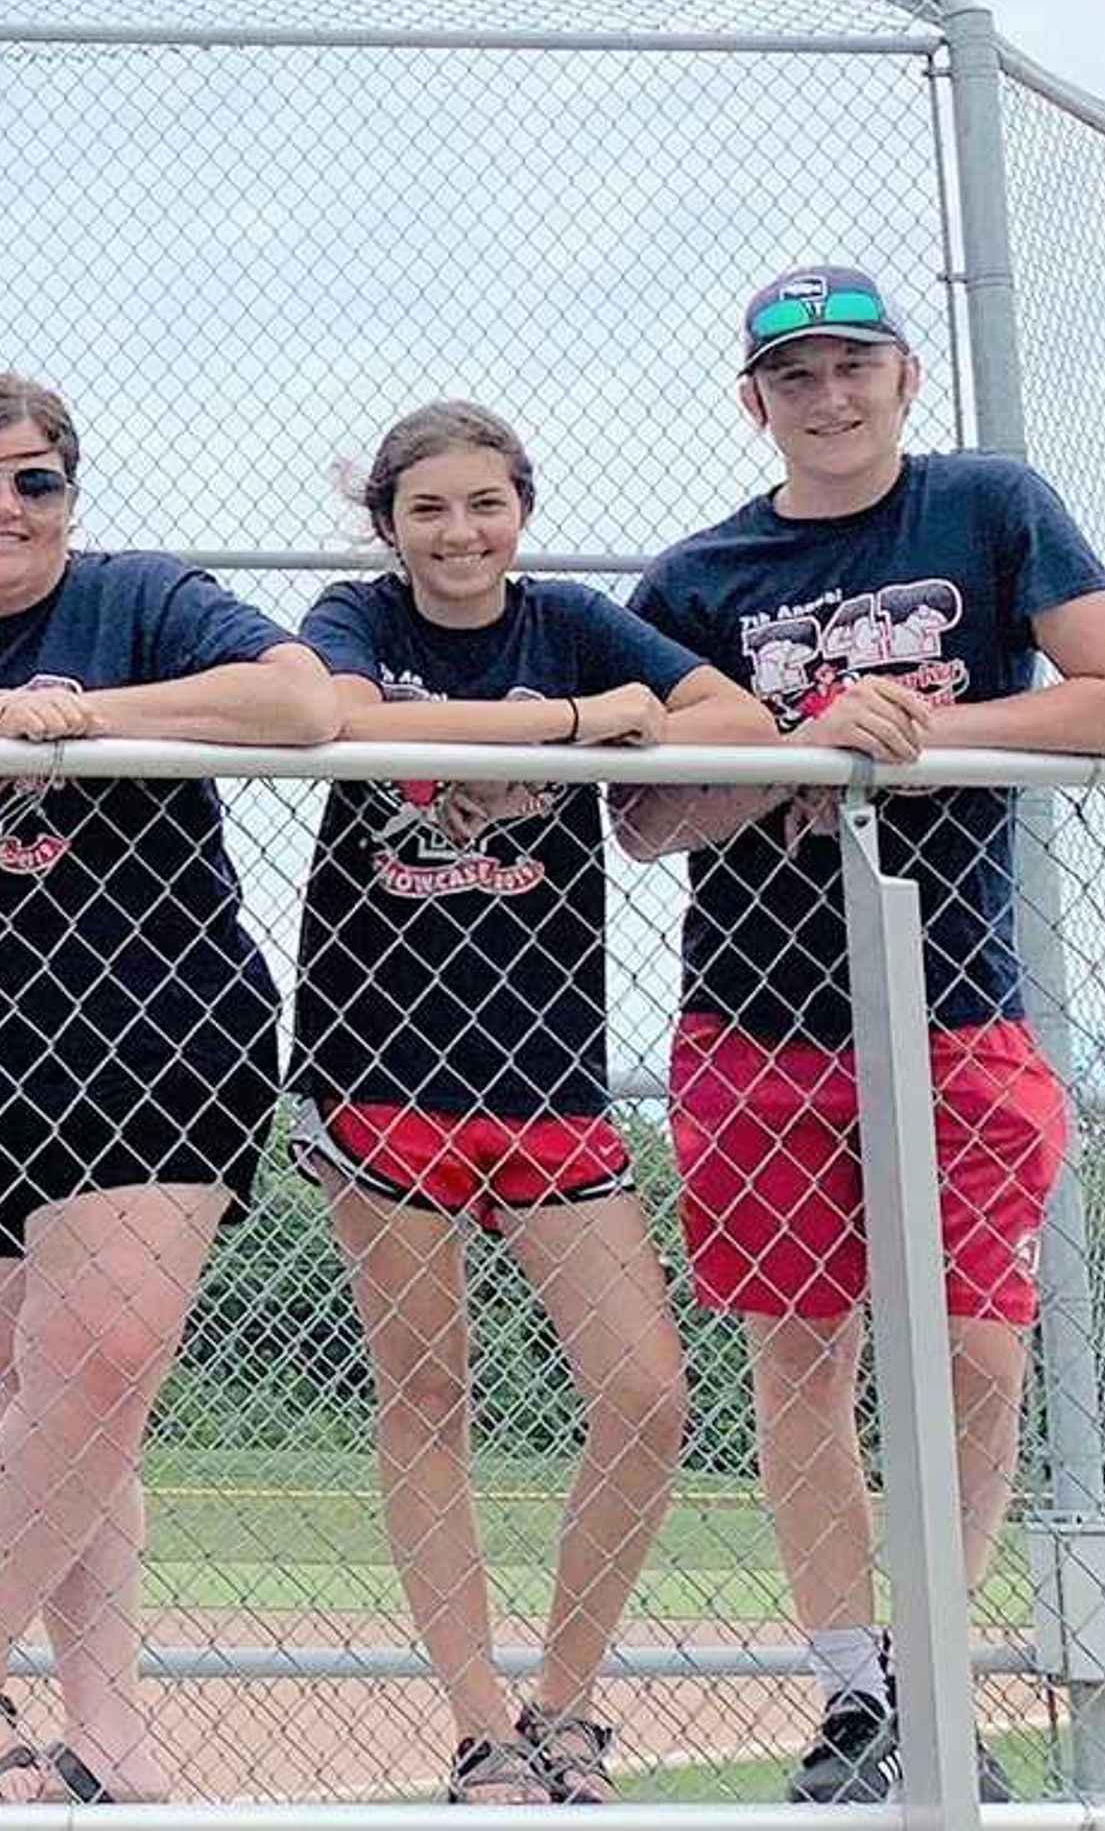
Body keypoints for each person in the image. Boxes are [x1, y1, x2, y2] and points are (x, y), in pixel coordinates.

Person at [625, 265, 1105, 1805]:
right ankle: (855, 1696)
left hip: (956, 1003)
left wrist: (915, 733)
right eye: (794, 376)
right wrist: (795, 745)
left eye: (853, 363)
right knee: (802, 1352)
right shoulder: (696, 578)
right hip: (759, 1018)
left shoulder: (990, 507)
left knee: (982, 1355)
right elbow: (652, 818)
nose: (828, 395)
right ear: (755, 401)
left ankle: (936, 1671)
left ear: (905, 374)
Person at [0, 373, 335, 1805]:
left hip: (159, 1035)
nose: (6, 507)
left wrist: (81, 716)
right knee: (59, 1410)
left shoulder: (142, 598)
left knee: (94, 1365)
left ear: (71, 497)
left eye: (35, 481)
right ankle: (106, 1749)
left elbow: (296, 699)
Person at [290, 402, 766, 1803]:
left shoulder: (568, 620)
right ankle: (480, 1726)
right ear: (388, 523)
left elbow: (725, 714)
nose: (460, 533)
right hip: (382, 1068)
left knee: (646, 1395)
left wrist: (634, 733)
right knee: (430, 1393)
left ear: (522, 510)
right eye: (428, 509)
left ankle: (567, 1707)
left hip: (547, 1072)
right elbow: (345, 719)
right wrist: (570, 727)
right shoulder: (355, 614)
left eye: (486, 504)